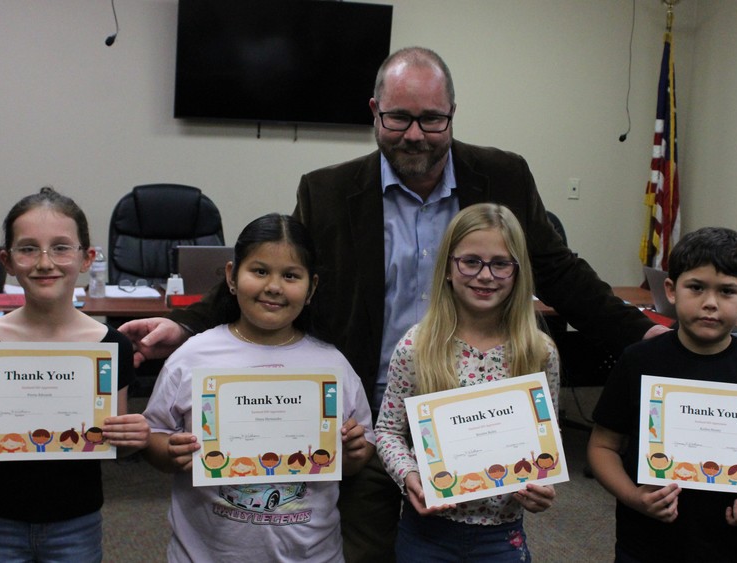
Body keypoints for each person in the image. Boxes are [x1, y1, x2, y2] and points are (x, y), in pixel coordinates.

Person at [120, 46, 664, 561]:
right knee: (367, 551)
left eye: (432, 119)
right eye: (399, 118)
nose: (415, 135)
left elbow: (559, 270)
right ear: (375, 112)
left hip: (474, 422)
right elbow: (281, 271)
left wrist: (639, 335)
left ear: (452, 114)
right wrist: (186, 325)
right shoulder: (327, 191)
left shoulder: (503, 176)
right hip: (377, 420)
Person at [0, 187, 150, 562]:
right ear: (8, 261)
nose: (45, 262)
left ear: (86, 258)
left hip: (75, 519)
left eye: (61, 248)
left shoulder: (110, 346)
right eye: (28, 249)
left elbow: (115, 445)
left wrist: (134, 438)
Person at [141, 214, 375, 562]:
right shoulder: (192, 356)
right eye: (260, 271)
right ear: (231, 276)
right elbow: (154, 433)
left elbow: (361, 445)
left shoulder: (332, 365)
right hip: (207, 554)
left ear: (311, 288)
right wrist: (168, 451)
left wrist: (355, 452)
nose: (274, 286)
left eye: (291, 276)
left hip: (311, 554)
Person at [587, 227, 737, 562]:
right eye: (696, 287)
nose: (710, 303)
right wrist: (634, 497)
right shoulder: (639, 361)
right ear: (671, 290)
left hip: (729, 545)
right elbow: (602, 446)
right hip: (647, 543)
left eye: (727, 291)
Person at [375, 204, 557, 561]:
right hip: (427, 531)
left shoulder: (538, 351)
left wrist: (544, 482)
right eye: (471, 262)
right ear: (447, 268)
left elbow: (547, 434)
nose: (485, 276)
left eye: (500, 264)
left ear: (518, 271)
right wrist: (409, 475)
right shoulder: (417, 346)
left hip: (502, 533)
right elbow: (387, 431)